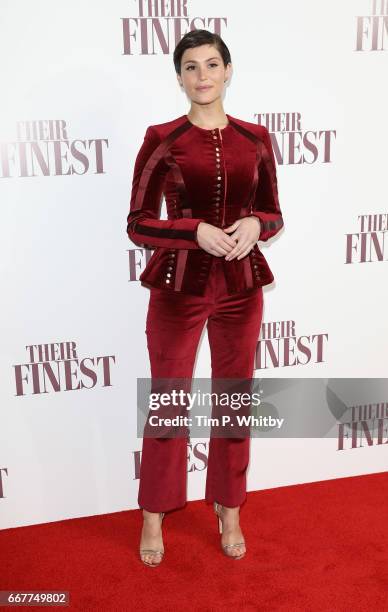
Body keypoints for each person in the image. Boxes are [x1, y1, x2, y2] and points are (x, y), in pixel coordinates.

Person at [126, 29, 284, 567]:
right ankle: (154, 513)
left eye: (211, 64)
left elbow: (273, 213)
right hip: (178, 289)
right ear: (178, 77)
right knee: (169, 403)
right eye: (190, 67)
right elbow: (139, 223)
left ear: (228, 70)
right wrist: (191, 231)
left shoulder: (255, 138)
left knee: (235, 402)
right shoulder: (162, 139)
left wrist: (253, 224)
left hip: (240, 289)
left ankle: (229, 507)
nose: (202, 76)